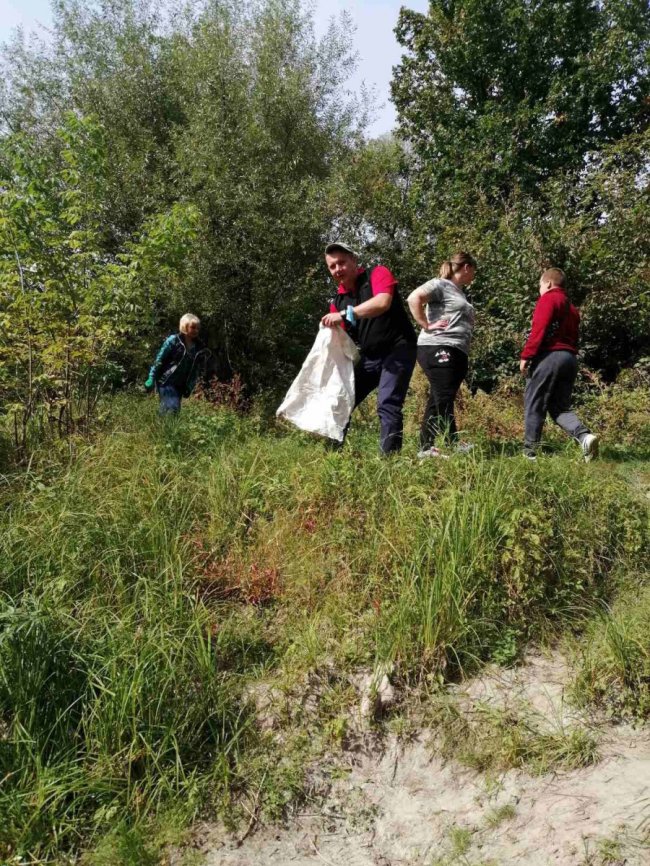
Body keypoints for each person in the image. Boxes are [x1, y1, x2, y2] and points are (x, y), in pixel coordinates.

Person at [321, 243, 416, 454]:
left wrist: (345, 314)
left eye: (342, 263)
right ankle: (331, 457)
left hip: (398, 348)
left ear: (354, 260)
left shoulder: (377, 274)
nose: (338, 269)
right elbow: (340, 340)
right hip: (370, 356)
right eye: (332, 266)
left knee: (387, 403)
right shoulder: (338, 300)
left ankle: (389, 463)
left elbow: (382, 302)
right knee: (341, 401)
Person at [520, 268, 598, 461]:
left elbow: (539, 328)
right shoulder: (572, 308)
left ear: (547, 283)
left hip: (550, 357)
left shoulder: (548, 299)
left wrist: (527, 355)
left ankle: (529, 453)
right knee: (560, 408)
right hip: (569, 359)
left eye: (540, 285)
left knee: (534, 402)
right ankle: (584, 437)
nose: (539, 289)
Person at [407, 252, 477, 457]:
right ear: (466, 267)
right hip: (437, 346)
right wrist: (425, 324)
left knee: (439, 397)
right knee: (444, 396)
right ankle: (452, 443)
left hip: (456, 350)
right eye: (473, 270)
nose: (474, 275)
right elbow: (414, 298)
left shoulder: (460, 293)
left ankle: (425, 448)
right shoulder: (440, 284)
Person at [145, 313, 208, 414]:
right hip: (166, 380)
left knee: (173, 411)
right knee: (171, 408)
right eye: (193, 327)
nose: (196, 330)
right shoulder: (173, 340)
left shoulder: (198, 347)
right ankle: (164, 428)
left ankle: (160, 428)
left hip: (181, 385)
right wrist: (151, 377)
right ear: (184, 326)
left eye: (198, 328)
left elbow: (195, 370)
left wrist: (190, 386)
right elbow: (159, 359)